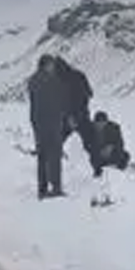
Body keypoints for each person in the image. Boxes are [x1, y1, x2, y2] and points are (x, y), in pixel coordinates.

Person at [27, 54, 71, 199]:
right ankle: (56, 188)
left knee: (42, 157)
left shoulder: (32, 80)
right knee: (55, 157)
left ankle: (42, 190)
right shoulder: (54, 81)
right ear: (47, 65)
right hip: (53, 123)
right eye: (52, 65)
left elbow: (33, 102)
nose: (53, 67)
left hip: (38, 124)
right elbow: (62, 100)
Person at [54, 56, 99, 176]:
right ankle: (97, 169)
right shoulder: (79, 75)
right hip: (80, 115)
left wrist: (71, 116)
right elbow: (90, 93)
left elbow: (64, 101)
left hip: (73, 116)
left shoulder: (60, 80)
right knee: (90, 142)